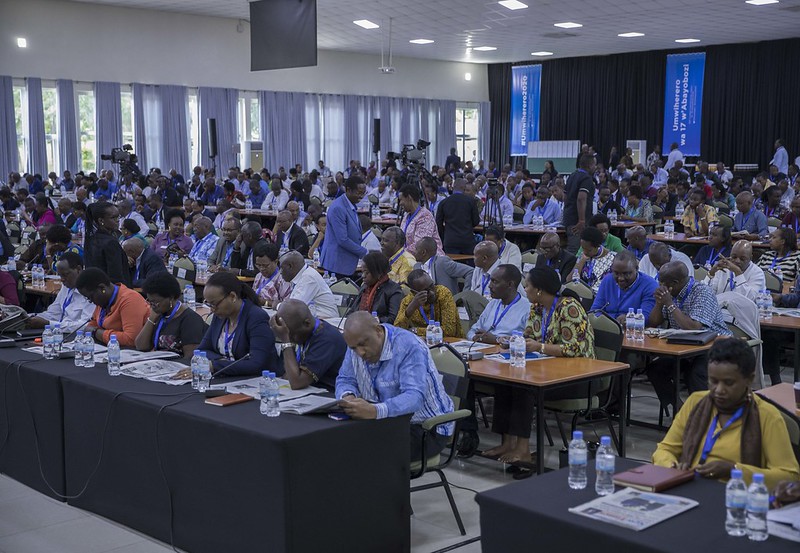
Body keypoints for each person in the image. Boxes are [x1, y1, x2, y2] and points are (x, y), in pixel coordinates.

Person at [483, 267, 595, 466]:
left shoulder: (569, 307)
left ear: (540, 290)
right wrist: (513, 341)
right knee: (506, 383)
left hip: (577, 377)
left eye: (527, 286)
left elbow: (576, 348)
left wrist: (540, 347)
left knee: (524, 388)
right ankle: (507, 443)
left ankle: (523, 449)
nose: (524, 289)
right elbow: (529, 336)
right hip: (548, 370)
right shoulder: (537, 307)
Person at [653, 338, 799, 489]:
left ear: (749, 379)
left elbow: (788, 476)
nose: (719, 390)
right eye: (713, 381)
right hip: (690, 488)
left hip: (737, 495)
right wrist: (671, 467)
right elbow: (665, 449)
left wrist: (734, 470)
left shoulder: (767, 416)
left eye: (729, 383)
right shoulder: (695, 403)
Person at [335, 312, 455, 460]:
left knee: (362, 454)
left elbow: (414, 397)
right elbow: (345, 379)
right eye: (354, 348)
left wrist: (375, 410)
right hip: (384, 421)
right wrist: (348, 397)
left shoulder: (409, 346)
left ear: (378, 331)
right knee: (336, 443)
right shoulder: (355, 343)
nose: (360, 352)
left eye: (363, 344)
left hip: (425, 428)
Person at [647, 261, 732, 408]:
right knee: (655, 369)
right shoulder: (670, 293)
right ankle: (680, 410)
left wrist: (670, 304)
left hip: (715, 346)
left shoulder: (702, 292)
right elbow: (654, 322)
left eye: (663, 283)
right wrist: (659, 303)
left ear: (675, 283)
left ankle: (703, 413)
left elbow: (694, 327)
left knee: (696, 374)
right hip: (686, 347)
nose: (660, 286)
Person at [191, 271, 280, 377]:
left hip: (258, 380)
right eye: (208, 304)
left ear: (232, 296)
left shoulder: (256, 317)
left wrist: (214, 366)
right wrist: (221, 361)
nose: (212, 309)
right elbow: (202, 350)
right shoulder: (219, 316)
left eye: (214, 304)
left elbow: (256, 363)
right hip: (229, 377)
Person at [269, 299, 346, 391]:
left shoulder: (327, 339)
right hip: (310, 390)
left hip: (328, 393)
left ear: (307, 323)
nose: (291, 339)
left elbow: (297, 383)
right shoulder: (304, 333)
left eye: (291, 335)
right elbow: (288, 376)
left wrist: (286, 341)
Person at [134, 272, 206, 357]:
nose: (152, 306)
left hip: (178, 363)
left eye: (155, 302)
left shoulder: (190, 320)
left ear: (171, 298)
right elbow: (141, 347)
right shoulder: (160, 314)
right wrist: (151, 319)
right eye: (149, 301)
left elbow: (190, 357)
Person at [77, 267, 150, 347]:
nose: (91, 301)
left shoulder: (129, 299)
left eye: (91, 297)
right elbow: (92, 325)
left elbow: (131, 339)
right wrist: (94, 331)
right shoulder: (103, 301)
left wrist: (97, 332)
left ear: (102, 288)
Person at [26, 252, 95, 332]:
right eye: (60, 275)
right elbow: (54, 313)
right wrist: (30, 317)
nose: (62, 279)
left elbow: (85, 325)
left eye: (65, 275)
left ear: (78, 269)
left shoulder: (90, 292)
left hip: (76, 335)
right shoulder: (66, 287)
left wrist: (49, 324)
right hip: (59, 331)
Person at [591, 250, 658, 324]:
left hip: (633, 328)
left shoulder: (649, 285)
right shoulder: (607, 280)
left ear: (636, 269)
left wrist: (629, 319)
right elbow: (595, 311)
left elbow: (646, 318)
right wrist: (613, 321)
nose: (621, 278)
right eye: (616, 273)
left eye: (626, 274)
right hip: (607, 326)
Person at [467, 264, 530, 342]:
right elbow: (472, 331)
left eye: (494, 282)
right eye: (490, 281)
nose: (490, 286)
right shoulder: (492, 304)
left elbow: (527, 342)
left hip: (506, 349)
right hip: (482, 347)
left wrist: (496, 340)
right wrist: (475, 337)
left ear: (510, 284)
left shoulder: (527, 309)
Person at [320, 176, 368, 278]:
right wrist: (364, 252)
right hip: (337, 264)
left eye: (363, 193)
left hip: (346, 262)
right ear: (348, 190)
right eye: (359, 193)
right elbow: (342, 239)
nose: (361, 197)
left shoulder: (351, 204)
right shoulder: (338, 208)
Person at [394, 269, 464, 338]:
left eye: (432, 286)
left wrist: (415, 330)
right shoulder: (408, 301)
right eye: (426, 291)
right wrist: (411, 309)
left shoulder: (443, 293)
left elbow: (449, 331)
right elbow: (397, 332)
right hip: (422, 343)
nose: (432, 292)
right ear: (414, 293)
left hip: (452, 341)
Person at [279, 251, 339, 319]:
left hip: (326, 320)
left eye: (282, 268)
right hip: (313, 319)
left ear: (290, 266)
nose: (280, 272)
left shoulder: (309, 278)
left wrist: (277, 305)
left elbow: (293, 308)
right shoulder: (303, 275)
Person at [84, 202, 132, 286]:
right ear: (101, 220)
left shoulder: (91, 238)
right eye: (113, 217)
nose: (117, 220)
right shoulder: (110, 242)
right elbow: (116, 277)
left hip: (95, 288)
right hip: (112, 290)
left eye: (118, 217)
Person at [348, 252, 402, 323]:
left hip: (378, 328)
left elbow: (393, 319)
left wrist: (375, 320)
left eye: (367, 272)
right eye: (362, 272)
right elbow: (352, 311)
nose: (363, 276)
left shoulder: (394, 290)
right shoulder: (364, 287)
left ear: (379, 273)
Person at [436, 179, 480, 255]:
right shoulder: (470, 201)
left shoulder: (444, 202)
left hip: (450, 240)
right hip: (467, 240)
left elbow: (438, 223)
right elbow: (476, 221)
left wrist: (445, 234)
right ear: (463, 187)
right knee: (469, 262)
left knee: (450, 262)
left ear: (453, 187)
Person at [563, 154, 596, 254]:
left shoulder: (572, 176)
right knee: (575, 250)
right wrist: (582, 220)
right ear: (590, 165)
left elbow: (564, 197)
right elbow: (581, 198)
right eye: (594, 165)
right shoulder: (586, 178)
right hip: (578, 221)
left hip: (569, 218)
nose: (595, 167)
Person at [397, 184, 443, 255]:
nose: (400, 203)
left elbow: (419, 245)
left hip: (429, 258)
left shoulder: (425, 217)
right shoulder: (406, 216)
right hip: (409, 256)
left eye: (401, 200)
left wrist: (399, 254)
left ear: (409, 198)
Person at [572, 227, 616, 293]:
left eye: (589, 250)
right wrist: (581, 262)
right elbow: (569, 280)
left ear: (598, 246)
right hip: (583, 294)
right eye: (583, 248)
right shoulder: (583, 256)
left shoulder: (613, 259)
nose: (585, 252)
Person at [252, 242, 291, 307]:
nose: (261, 269)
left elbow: (286, 306)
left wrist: (265, 302)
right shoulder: (259, 276)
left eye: (265, 265)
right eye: (258, 265)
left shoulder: (283, 279)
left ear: (276, 261)